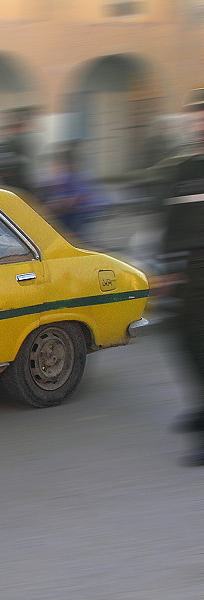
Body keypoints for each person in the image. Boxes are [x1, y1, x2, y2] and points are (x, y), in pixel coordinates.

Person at [154, 89, 204, 465]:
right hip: (187, 269)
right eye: (193, 121)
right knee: (182, 340)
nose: (197, 127)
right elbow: (169, 221)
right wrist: (167, 270)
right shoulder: (184, 168)